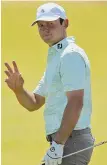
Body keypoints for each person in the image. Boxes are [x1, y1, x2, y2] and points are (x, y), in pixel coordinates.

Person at [4, 2, 95, 165]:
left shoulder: (70, 55)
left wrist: (58, 145)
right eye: (41, 25)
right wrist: (19, 90)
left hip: (71, 142)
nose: (45, 29)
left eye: (51, 24)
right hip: (64, 141)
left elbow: (76, 102)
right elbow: (34, 103)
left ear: (65, 23)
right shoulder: (57, 57)